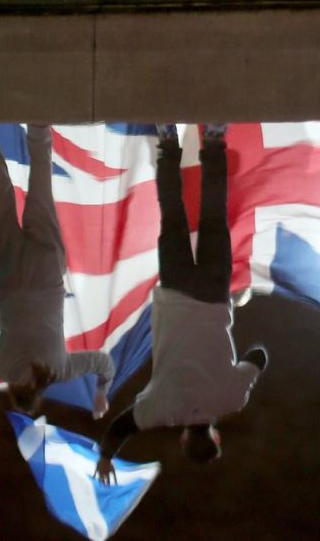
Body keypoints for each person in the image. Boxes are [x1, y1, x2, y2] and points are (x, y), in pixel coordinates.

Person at [95, 124, 266, 482]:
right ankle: (168, 142)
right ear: (184, 438)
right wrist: (107, 457)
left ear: (215, 435)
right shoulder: (160, 411)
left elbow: (259, 355)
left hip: (214, 292)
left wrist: (239, 369)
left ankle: (215, 139)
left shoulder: (231, 401)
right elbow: (121, 426)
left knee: (214, 215)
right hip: (174, 290)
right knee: (171, 214)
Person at [0, 125, 114, 416]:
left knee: (41, 181)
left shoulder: (59, 370)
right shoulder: (1, 368)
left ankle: (39, 121)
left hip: (46, 272)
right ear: (16, 391)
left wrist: (102, 394)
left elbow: (103, 363)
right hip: (9, 274)